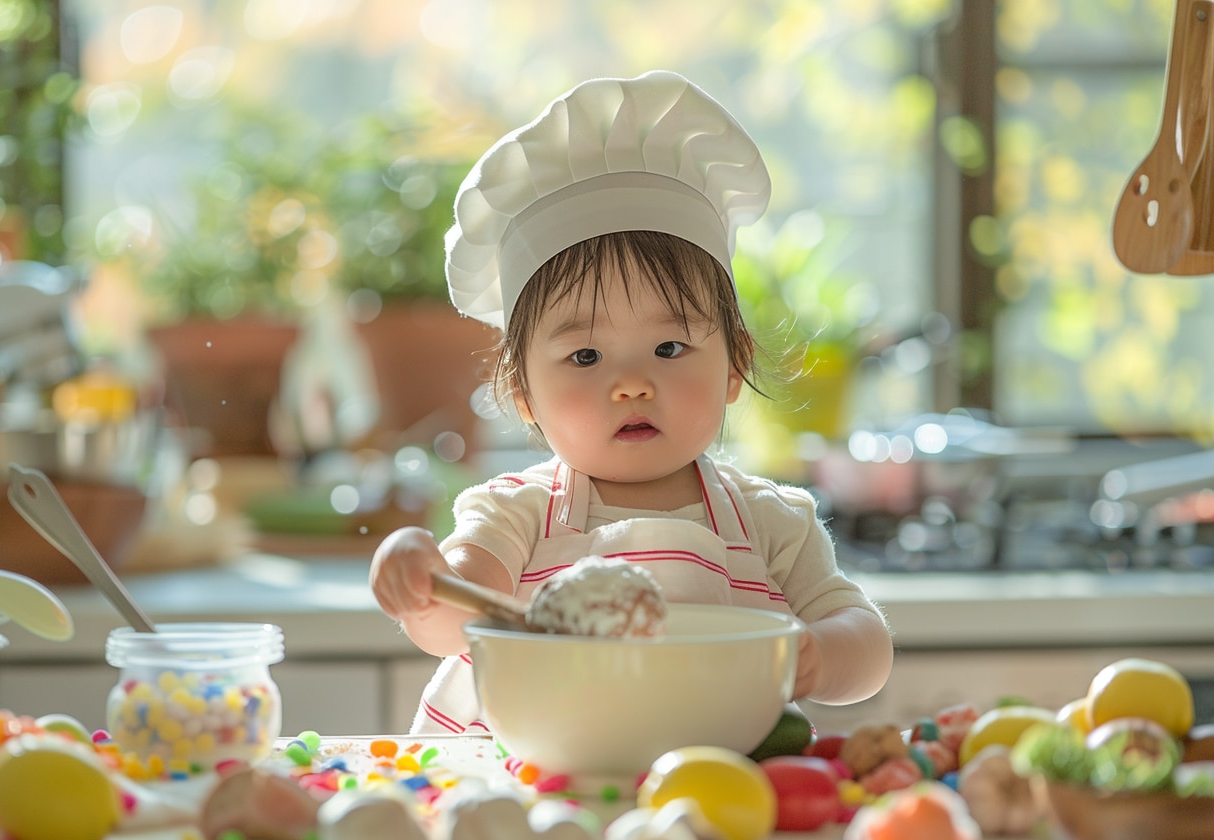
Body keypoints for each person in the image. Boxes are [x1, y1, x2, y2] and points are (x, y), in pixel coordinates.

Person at [370, 71, 893, 735]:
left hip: (711, 803)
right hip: (527, 793)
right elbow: (454, 620)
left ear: (735, 362)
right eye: (585, 357)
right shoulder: (517, 516)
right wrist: (421, 580)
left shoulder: (770, 523)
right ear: (523, 393)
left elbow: (866, 646)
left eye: (669, 348)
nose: (632, 384)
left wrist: (821, 657)